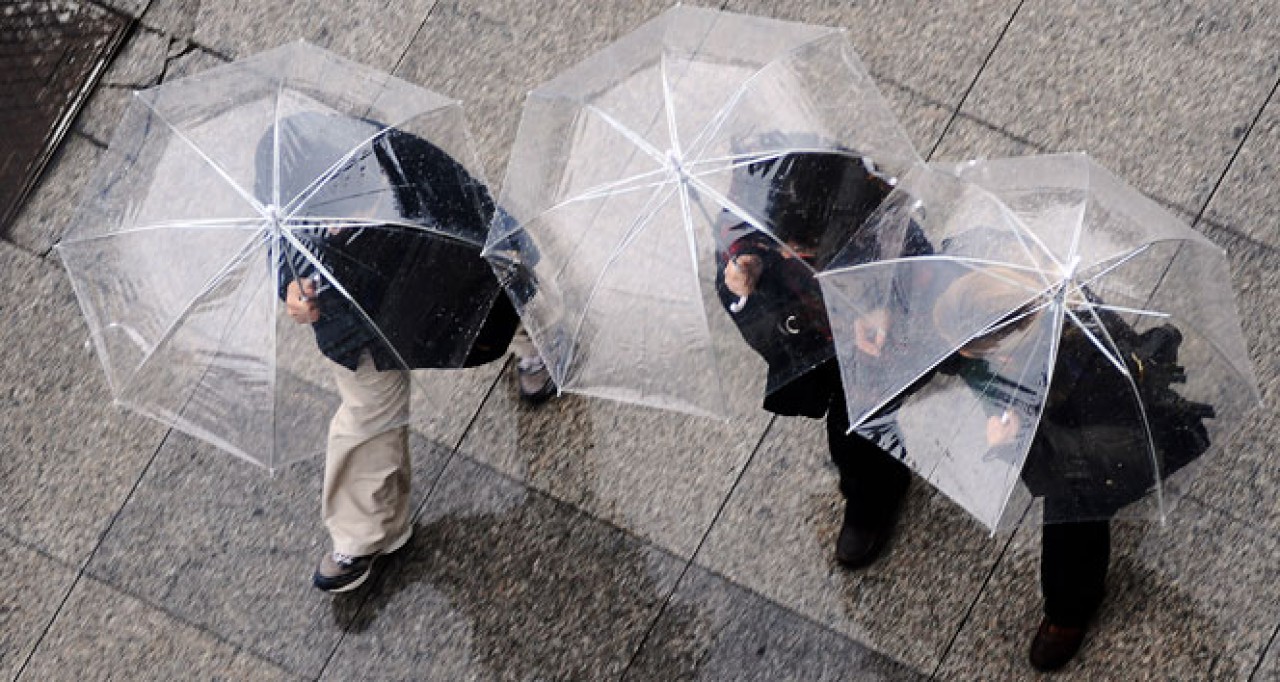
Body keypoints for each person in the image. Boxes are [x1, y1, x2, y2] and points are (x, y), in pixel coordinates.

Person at [266, 113, 543, 592]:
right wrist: (291, 289)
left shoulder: (395, 157)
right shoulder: (279, 169)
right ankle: (364, 534)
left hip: (433, 275)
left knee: (496, 310)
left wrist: (513, 245)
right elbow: (278, 247)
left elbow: (469, 201)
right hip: (353, 322)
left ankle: (539, 344)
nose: (333, 226)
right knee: (367, 414)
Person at [928, 268, 1212, 671]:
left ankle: (1068, 612)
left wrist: (1011, 446)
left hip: (1101, 448)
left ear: (1004, 347)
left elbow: (1066, 469)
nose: (960, 357)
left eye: (970, 349)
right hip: (1053, 407)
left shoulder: (1088, 371)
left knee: (1074, 523)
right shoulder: (1023, 305)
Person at [715, 148, 928, 569]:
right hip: (818, 347)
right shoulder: (753, 228)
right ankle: (872, 490)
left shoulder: (884, 227)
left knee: (866, 420)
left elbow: (926, 278)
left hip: (879, 347)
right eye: (786, 246)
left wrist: (884, 305)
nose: (793, 254)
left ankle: (876, 489)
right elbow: (752, 309)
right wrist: (744, 285)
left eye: (804, 249)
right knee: (849, 428)